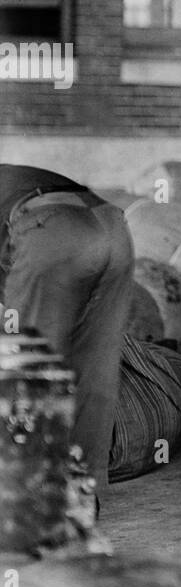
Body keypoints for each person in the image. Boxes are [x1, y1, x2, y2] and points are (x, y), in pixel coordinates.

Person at [0, 164, 134, 504]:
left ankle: (32, 501)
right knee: (95, 368)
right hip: (113, 229)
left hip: (52, 230)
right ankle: (83, 495)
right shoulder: (13, 177)